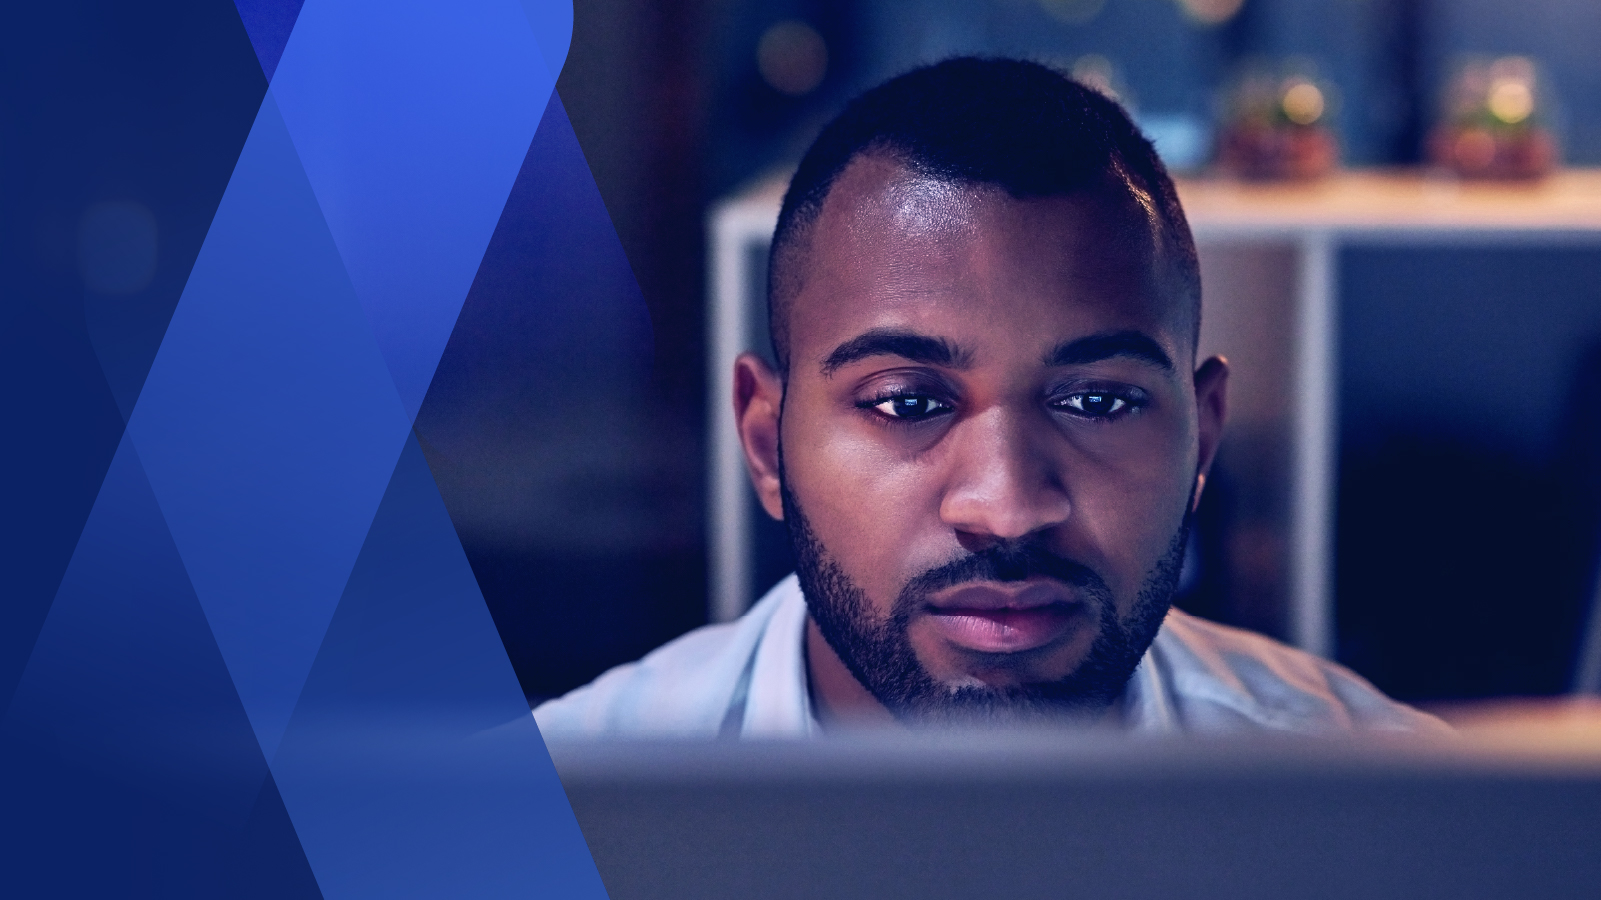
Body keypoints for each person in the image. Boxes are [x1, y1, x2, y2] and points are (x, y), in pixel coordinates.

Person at [535, 57, 1443, 738]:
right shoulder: (537, 822)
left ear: (1202, 443)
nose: (1006, 510)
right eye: (904, 403)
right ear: (767, 443)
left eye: (1096, 404)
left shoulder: (1402, 819)